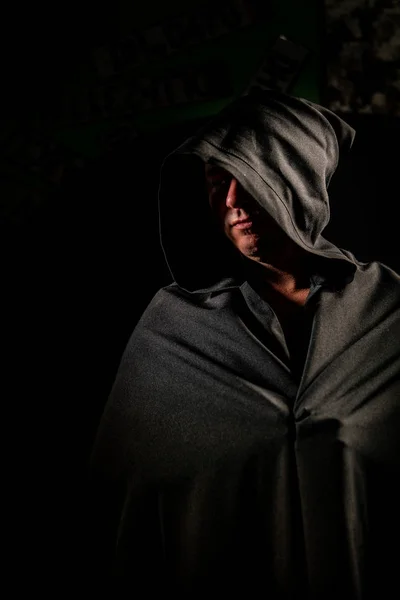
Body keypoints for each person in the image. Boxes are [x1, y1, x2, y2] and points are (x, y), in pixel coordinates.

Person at [88, 89, 400, 599]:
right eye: (217, 182)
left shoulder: (387, 314)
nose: (231, 202)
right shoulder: (174, 332)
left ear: (296, 179)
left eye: (249, 179)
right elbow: (122, 518)